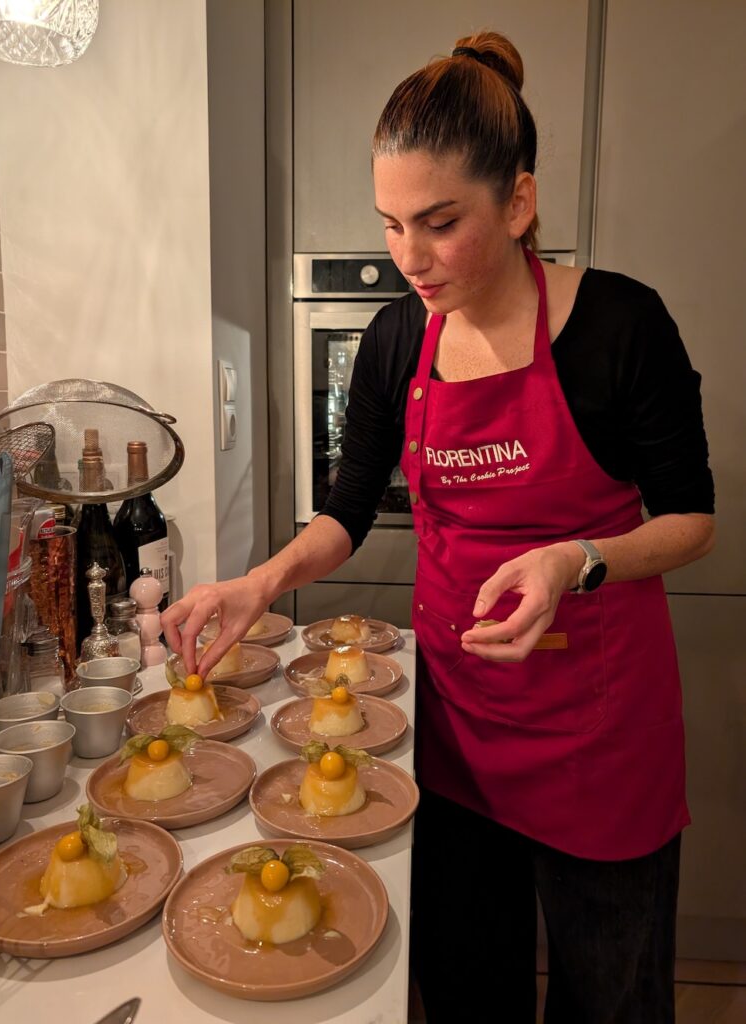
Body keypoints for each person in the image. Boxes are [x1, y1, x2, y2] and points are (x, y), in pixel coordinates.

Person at [162, 29, 715, 1023]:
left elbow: (691, 521)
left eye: (439, 222)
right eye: (390, 225)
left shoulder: (620, 329)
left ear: (519, 201)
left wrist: (580, 558)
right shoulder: (397, 338)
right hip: (455, 728)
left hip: (601, 736)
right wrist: (259, 581)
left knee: (611, 996)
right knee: (466, 989)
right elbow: (345, 510)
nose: (409, 258)